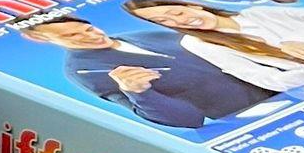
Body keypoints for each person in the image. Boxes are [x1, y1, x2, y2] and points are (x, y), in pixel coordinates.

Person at [19, 16, 278, 128]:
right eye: (72, 37)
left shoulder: (146, 35)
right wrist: (140, 93)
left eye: (87, 29)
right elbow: (189, 119)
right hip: (249, 117)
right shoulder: (84, 70)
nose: (90, 37)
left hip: (282, 87)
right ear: (43, 40)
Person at [122, 0, 304, 93]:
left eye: (177, 12)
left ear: (193, 5)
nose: (179, 20)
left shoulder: (256, 13)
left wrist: (297, 39)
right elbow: (270, 80)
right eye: (164, 21)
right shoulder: (199, 43)